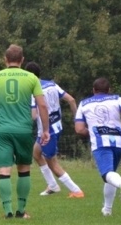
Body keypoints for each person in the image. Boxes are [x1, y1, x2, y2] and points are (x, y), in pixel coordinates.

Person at [0, 45, 50, 219]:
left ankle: (8, 211)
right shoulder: (31, 78)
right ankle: (21, 211)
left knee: (4, 170)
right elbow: (42, 105)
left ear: (5, 59)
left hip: (2, 131)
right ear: (22, 60)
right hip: (24, 130)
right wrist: (45, 130)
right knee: (24, 169)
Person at [74, 77, 121, 216]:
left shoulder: (84, 104)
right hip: (118, 141)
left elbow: (79, 129)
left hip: (101, 141)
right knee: (111, 172)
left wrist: (90, 132)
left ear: (93, 90)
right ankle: (107, 210)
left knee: (107, 174)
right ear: (109, 90)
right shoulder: (117, 99)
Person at [25, 61, 84, 198]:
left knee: (52, 162)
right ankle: (52, 185)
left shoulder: (34, 91)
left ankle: (76, 191)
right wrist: (76, 120)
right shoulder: (52, 84)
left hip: (48, 130)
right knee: (36, 154)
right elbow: (71, 100)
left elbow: (34, 116)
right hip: (56, 126)